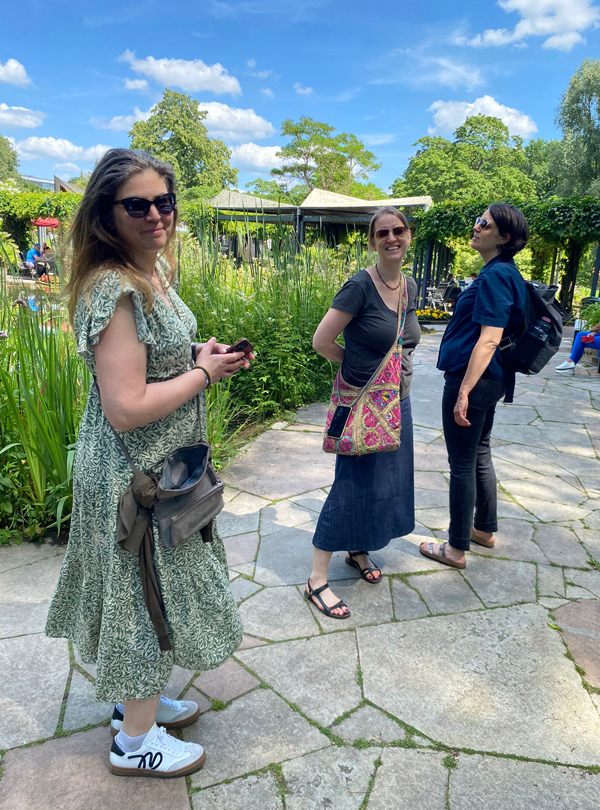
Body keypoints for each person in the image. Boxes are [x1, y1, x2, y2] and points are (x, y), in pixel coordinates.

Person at [45, 148, 249, 778]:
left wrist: (197, 352)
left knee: (151, 590)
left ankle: (137, 704)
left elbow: (150, 357)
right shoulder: (115, 288)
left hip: (161, 469)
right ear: (107, 213)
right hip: (133, 475)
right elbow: (126, 407)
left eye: (165, 201)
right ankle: (134, 743)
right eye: (138, 205)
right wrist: (203, 374)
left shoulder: (149, 271)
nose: (157, 214)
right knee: (142, 596)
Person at [306, 206, 420, 618]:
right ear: (372, 241)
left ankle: (358, 549)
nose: (392, 238)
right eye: (382, 233)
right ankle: (316, 579)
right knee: (350, 486)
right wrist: (357, 366)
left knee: (384, 484)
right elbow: (322, 341)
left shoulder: (408, 285)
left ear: (408, 236)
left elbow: (405, 340)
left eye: (398, 230)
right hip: (361, 404)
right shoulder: (359, 286)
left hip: (397, 402)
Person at [420, 203, 528, 569]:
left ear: (504, 237)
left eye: (485, 224)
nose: (477, 226)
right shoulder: (503, 272)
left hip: (474, 378)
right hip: (490, 379)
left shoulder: (497, 275)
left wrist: (464, 391)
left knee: (462, 463)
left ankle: (455, 548)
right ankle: (483, 529)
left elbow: (490, 338)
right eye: (478, 220)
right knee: (479, 452)